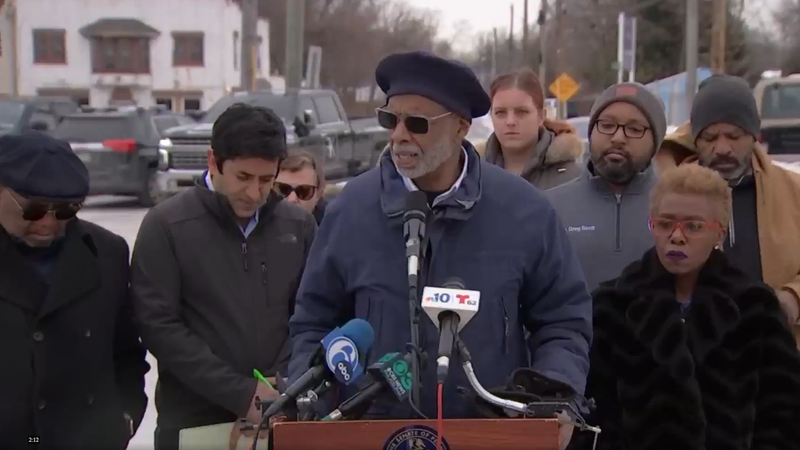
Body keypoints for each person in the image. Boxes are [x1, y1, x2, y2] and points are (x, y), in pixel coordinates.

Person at [288, 51, 592, 448]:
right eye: (390, 119)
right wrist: (311, 405)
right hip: (369, 434)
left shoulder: (525, 211)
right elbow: (313, 322)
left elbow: (563, 320)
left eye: (417, 123)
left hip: (490, 433)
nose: (398, 135)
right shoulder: (350, 209)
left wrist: (555, 396)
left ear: (461, 127)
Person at [131, 104, 317, 450]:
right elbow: (158, 326)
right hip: (195, 419)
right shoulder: (167, 225)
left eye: (266, 180)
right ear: (213, 161)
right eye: (243, 178)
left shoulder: (299, 226)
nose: (254, 193)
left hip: (283, 411)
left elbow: (312, 312)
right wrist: (242, 393)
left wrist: (285, 382)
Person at [576, 164, 800, 450]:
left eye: (693, 226)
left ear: (719, 233)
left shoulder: (756, 307)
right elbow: (596, 414)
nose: (677, 236)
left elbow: (784, 414)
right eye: (665, 223)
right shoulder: (612, 305)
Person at [0, 133, 149, 450]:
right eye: (34, 210)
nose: (48, 224)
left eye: (66, 211)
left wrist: (125, 415)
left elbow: (126, 352)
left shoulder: (107, 252)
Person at [658, 74, 800, 343]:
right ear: (694, 139)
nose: (722, 148)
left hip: (776, 356)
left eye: (735, 136)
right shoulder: (669, 194)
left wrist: (792, 298)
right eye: (709, 137)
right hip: (695, 358)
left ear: (754, 135)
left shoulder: (794, 192)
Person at [546, 82, 667, 291]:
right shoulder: (549, 207)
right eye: (607, 125)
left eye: (634, 129)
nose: (618, 138)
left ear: (655, 141)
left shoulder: (678, 207)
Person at [482, 68, 584, 189]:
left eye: (522, 112)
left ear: (541, 116)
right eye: (500, 112)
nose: (510, 122)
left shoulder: (572, 178)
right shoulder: (471, 174)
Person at [275, 149, 328, 224]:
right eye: (283, 189)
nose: (292, 199)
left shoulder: (333, 229)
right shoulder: (256, 224)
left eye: (303, 191)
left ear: (319, 195)